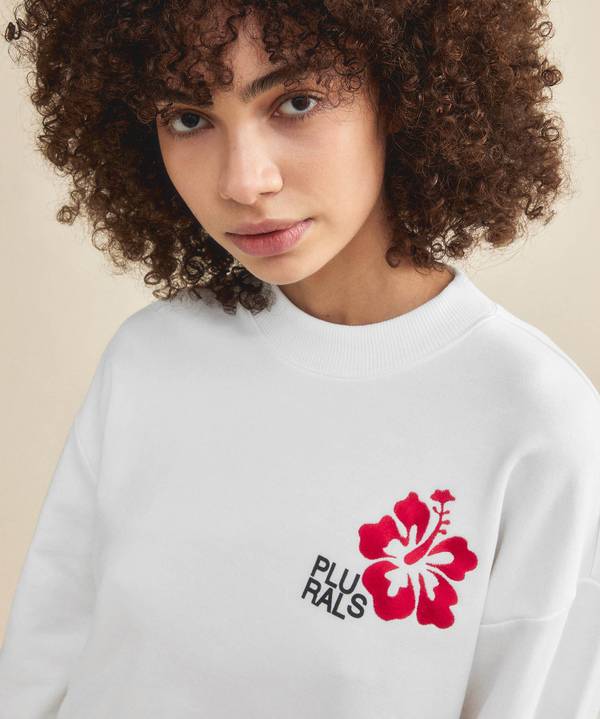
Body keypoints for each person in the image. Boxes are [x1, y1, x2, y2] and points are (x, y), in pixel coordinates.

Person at [1, 1, 598, 718]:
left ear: (402, 94)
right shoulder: (147, 359)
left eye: (296, 102)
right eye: (188, 117)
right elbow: (36, 678)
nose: (243, 182)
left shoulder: (534, 421)